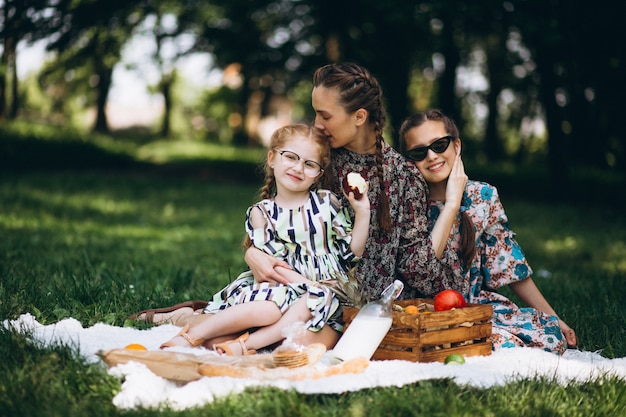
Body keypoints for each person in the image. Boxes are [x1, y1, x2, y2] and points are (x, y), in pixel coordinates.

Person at [243, 62, 464, 348]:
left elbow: (417, 269)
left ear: (359, 116)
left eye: (325, 115)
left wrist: (451, 206)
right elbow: (278, 218)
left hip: (359, 310)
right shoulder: (316, 162)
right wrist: (252, 253)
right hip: (293, 289)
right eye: (315, 114)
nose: (317, 124)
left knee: (284, 341)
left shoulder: (403, 175)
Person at [157, 123, 371, 353]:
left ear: (318, 174)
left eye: (309, 164)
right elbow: (273, 269)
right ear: (272, 159)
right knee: (259, 315)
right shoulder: (262, 213)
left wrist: (363, 211)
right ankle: (187, 328)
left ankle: (244, 345)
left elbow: (351, 254)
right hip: (281, 288)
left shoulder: (327, 203)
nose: (298, 168)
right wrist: (310, 286)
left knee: (300, 343)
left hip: (326, 298)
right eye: (290, 157)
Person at [398, 108, 577, 354]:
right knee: (501, 345)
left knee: (548, 337)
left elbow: (510, 266)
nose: (431, 156)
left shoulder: (482, 196)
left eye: (439, 145)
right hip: (423, 310)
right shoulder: (406, 203)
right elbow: (420, 267)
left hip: (473, 306)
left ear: (456, 145)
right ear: (410, 161)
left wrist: (555, 319)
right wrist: (451, 204)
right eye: (419, 152)